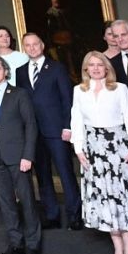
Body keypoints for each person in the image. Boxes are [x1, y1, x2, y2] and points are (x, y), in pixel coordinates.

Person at [71, 52, 128, 254]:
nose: (96, 68)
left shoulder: (119, 88)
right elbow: (76, 120)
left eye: (100, 65)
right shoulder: (79, 91)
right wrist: (79, 148)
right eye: (91, 65)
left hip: (119, 147)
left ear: (107, 67)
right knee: (105, 198)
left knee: (124, 196)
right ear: (86, 69)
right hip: (94, 150)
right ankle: (117, 247)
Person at [0, 54, 41, 254]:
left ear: (6, 71)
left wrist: (28, 155)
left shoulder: (19, 94)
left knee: (27, 201)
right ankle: (15, 243)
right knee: (6, 203)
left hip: (18, 156)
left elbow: (30, 125)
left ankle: (32, 244)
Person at [17, 33, 81, 230]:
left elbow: (67, 99)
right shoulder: (20, 72)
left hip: (56, 131)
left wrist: (68, 126)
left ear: (42, 45)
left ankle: (75, 216)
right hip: (34, 134)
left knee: (65, 173)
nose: (32, 48)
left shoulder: (56, 68)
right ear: (24, 48)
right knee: (43, 176)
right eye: (28, 45)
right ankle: (52, 215)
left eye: (36, 44)